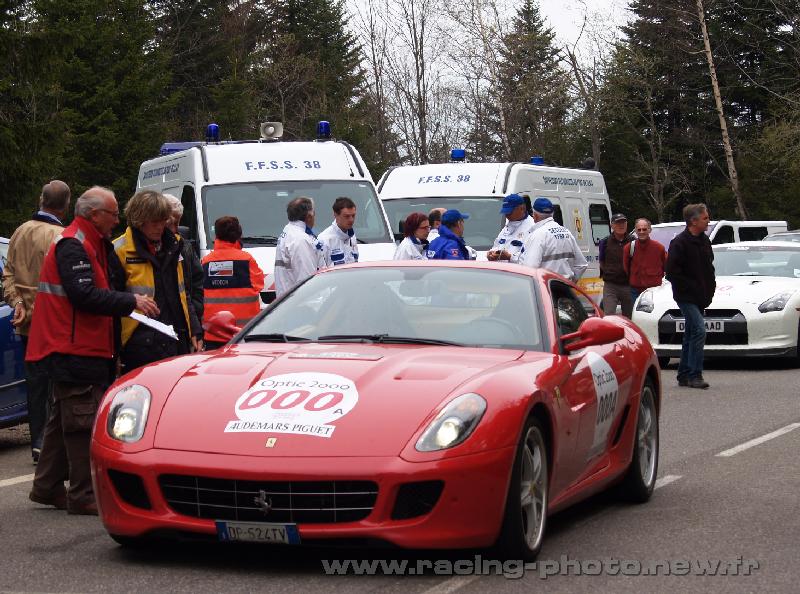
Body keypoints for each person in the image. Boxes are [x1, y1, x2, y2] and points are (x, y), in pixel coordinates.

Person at [26, 187, 159, 514]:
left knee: (64, 418)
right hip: (73, 346)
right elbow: (83, 295)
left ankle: (47, 486)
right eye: (113, 214)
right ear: (94, 214)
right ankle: (83, 494)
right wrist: (131, 301)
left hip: (79, 345)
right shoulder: (74, 245)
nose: (117, 220)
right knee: (81, 421)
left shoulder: (91, 242)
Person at [2, 180, 70, 464]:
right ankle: (53, 445)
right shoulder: (62, 236)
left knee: (35, 386)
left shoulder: (20, 231)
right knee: (58, 387)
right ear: (66, 206)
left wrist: (17, 302)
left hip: (27, 323)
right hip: (54, 324)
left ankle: (39, 443)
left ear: (41, 200)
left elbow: (8, 274)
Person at [113, 190, 201, 373]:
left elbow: (184, 293)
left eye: (163, 221)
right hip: (139, 345)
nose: (160, 227)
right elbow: (111, 303)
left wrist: (194, 329)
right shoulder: (119, 250)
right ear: (139, 220)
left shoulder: (175, 245)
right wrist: (115, 349)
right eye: (155, 222)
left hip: (177, 338)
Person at [665, 203, 715, 389]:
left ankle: (684, 374)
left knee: (691, 332)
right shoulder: (679, 243)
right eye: (705, 218)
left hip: (700, 296)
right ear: (693, 221)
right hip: (685, 296)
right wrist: (690, 288)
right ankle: (695, 374)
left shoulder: (704, 241)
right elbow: (671, 272)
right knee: (700, 330)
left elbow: (709, 266)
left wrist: (710, 288)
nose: (708, 221)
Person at [201, 216, 265, 349]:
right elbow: (259, 284)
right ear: (238, 234)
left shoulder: (206, 262)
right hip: (243, 333)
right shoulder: (246, 260)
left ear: (217, 235)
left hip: (214, 334)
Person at [521, 198, 588, 281]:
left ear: (535, 215)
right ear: (552, 214)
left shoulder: (538, 235)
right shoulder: (567, 233)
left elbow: (529, 268)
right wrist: (571, 282)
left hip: (546, 286)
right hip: (565, 286)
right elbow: (582, 265)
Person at [164, 193, 204, 332]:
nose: (176, 229)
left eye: (178, 223)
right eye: (172, 224)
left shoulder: (185, 247)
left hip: (185, 321)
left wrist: (195, 311)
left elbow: (197, 281)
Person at [274, 196, 325, 298]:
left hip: (288, 299)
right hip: (302, 301)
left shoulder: (289, 232)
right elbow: (307, 280)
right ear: (309, 216)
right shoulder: (300, 239)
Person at [599, 213, 634, 317]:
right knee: (609, 316)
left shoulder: (633, 241)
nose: (621, 225)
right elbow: (601, 261)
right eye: (618, 223)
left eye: (623, 222)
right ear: (612, 225)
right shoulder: (605, 242)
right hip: (611, 285)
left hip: (628, 285)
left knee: (630, 317)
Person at [624, 217, 667, 302]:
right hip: (635, 291)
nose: (641, 232)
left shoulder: (659, 248)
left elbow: (666, 267)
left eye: (644, 229)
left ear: (650, 230)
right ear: (636, 231)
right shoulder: (628, 248)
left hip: (654, 291)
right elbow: (626, 268)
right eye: (639, 230)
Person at [487, 193, 535, 264]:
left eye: (509, 212)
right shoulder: (508, 225)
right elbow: (497, 244)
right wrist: (491, 253)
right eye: (505, 212)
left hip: (518, 270)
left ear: (522, 209)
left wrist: (510, 257)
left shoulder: (532, 227)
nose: (506, 215)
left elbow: (531, 258)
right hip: (501, 269)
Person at [318, 197, 359, 267]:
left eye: (353, 216)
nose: (351, 220)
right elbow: (321, 270)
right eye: (347, 216)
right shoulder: (324, 239)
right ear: (336, 215)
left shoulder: (352, 237)